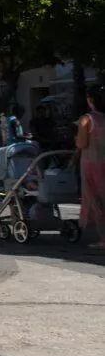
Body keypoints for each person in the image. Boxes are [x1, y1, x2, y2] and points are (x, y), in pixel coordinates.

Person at [76, 86, 105, 248]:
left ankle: (103, 238)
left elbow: (81, 143)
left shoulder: (87, 119)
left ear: (90, 100)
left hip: (91, 164)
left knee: (97, 200)